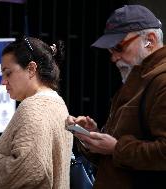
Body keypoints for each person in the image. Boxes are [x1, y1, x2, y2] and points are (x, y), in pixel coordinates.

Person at [66, 4, 166, 189]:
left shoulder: (160, 80)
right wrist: (94, 137)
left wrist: (115, 147)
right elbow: (116, 156)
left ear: (149, 40)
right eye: (110, 50)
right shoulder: (139, 77)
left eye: (119, 47)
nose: (114, 57)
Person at [0, 37, 73, 189]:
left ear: (32, 69)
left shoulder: (34, 107)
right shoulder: (58, 104)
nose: (3, 81)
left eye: (8, 73)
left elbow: (25, 172)